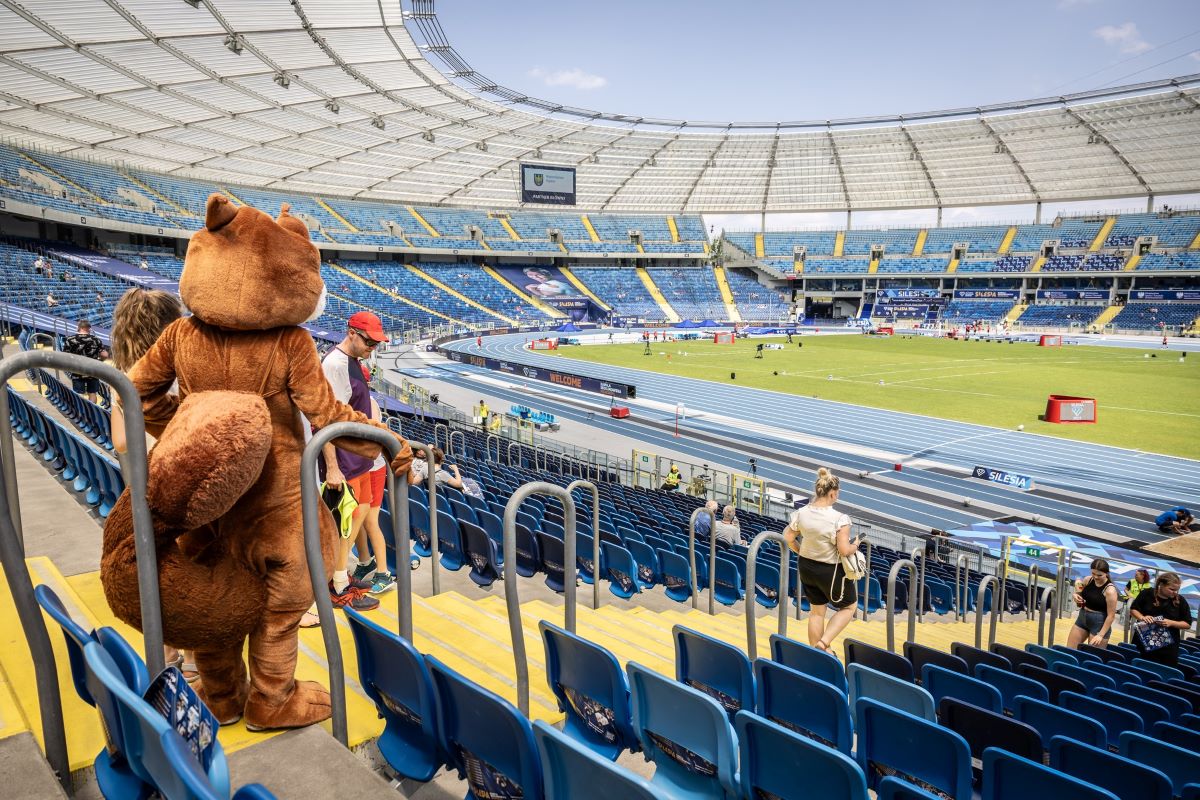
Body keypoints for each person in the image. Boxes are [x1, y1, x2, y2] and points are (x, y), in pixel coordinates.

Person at [108, 289, 192, 680]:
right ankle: (195, 662)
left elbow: (121, 442)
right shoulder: (173, 374)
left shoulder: (118, 373)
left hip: (141, 488)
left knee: (159, 570)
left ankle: (167, 658)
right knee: (190, 572)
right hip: (177, 479)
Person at [319, 311, 388, 612]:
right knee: (342, 527)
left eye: (376, 343)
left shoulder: (353, 362)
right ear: (351, 333)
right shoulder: (334, 365)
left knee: (354, 521)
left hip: (358, 460)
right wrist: (332, 466)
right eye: (369, 341)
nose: (373, 347)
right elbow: (325, 419)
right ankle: (337, 587)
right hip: (343, 463)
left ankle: (340, 576)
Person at [784, 468, 860, 655]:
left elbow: (788, 537)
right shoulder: (840, 519)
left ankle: (816, 655)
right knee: (849, 607)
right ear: (832, 493)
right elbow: (843, 549)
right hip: (830, 571)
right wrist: (855, 545)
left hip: (806, 567)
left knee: (817, 612)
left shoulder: (801, 513)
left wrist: (801, 551)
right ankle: (824, 643)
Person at [1129, 571, 1193, 667]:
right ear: (1161, 585)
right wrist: (1142, 617)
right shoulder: (1146, 593)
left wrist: (1171, 623)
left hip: (1167, 648)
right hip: (1143, 642)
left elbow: (1187, 624)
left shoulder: (1181, 601)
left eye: (1177, 590)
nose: (1175, 592)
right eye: (1171, 589)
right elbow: (1133, 609)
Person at [1066, 558, 1119, 649]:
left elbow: (1111, 616)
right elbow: (1080, 593)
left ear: (1106, 573)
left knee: (1092, 659)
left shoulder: (1110, 590)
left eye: (1099, 575)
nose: (1096, 577)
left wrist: (1100, 635)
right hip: (1082, 619)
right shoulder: (1088, 580)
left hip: (1099, 625)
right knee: (1069, 650)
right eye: (1093, 573)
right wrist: (1075, 595)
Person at [62, 320, 108, 402]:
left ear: (79, 328)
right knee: (92, 393)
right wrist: (100, 361)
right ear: (89, 328)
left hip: (77, 370)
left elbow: (64, 356)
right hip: (93, 370)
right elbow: (105, 355)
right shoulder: (96, 339)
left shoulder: (70, 339)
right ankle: (92, 412)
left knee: (79, 394)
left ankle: (83, 413)